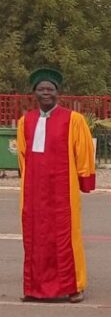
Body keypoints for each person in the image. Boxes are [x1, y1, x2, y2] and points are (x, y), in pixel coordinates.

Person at [16, 67, 96, 302]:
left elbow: (83, 152)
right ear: (34, 93)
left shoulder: (73, 119)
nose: (45, 93)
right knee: (35, 236)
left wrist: (85, 179)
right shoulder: (25, 121)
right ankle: (35, 288)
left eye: (50, 89)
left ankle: (73, 286)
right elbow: (22, 155)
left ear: (57, 92)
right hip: (33, 190)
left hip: (63, 189)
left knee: (65, 237)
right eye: (41, 89)